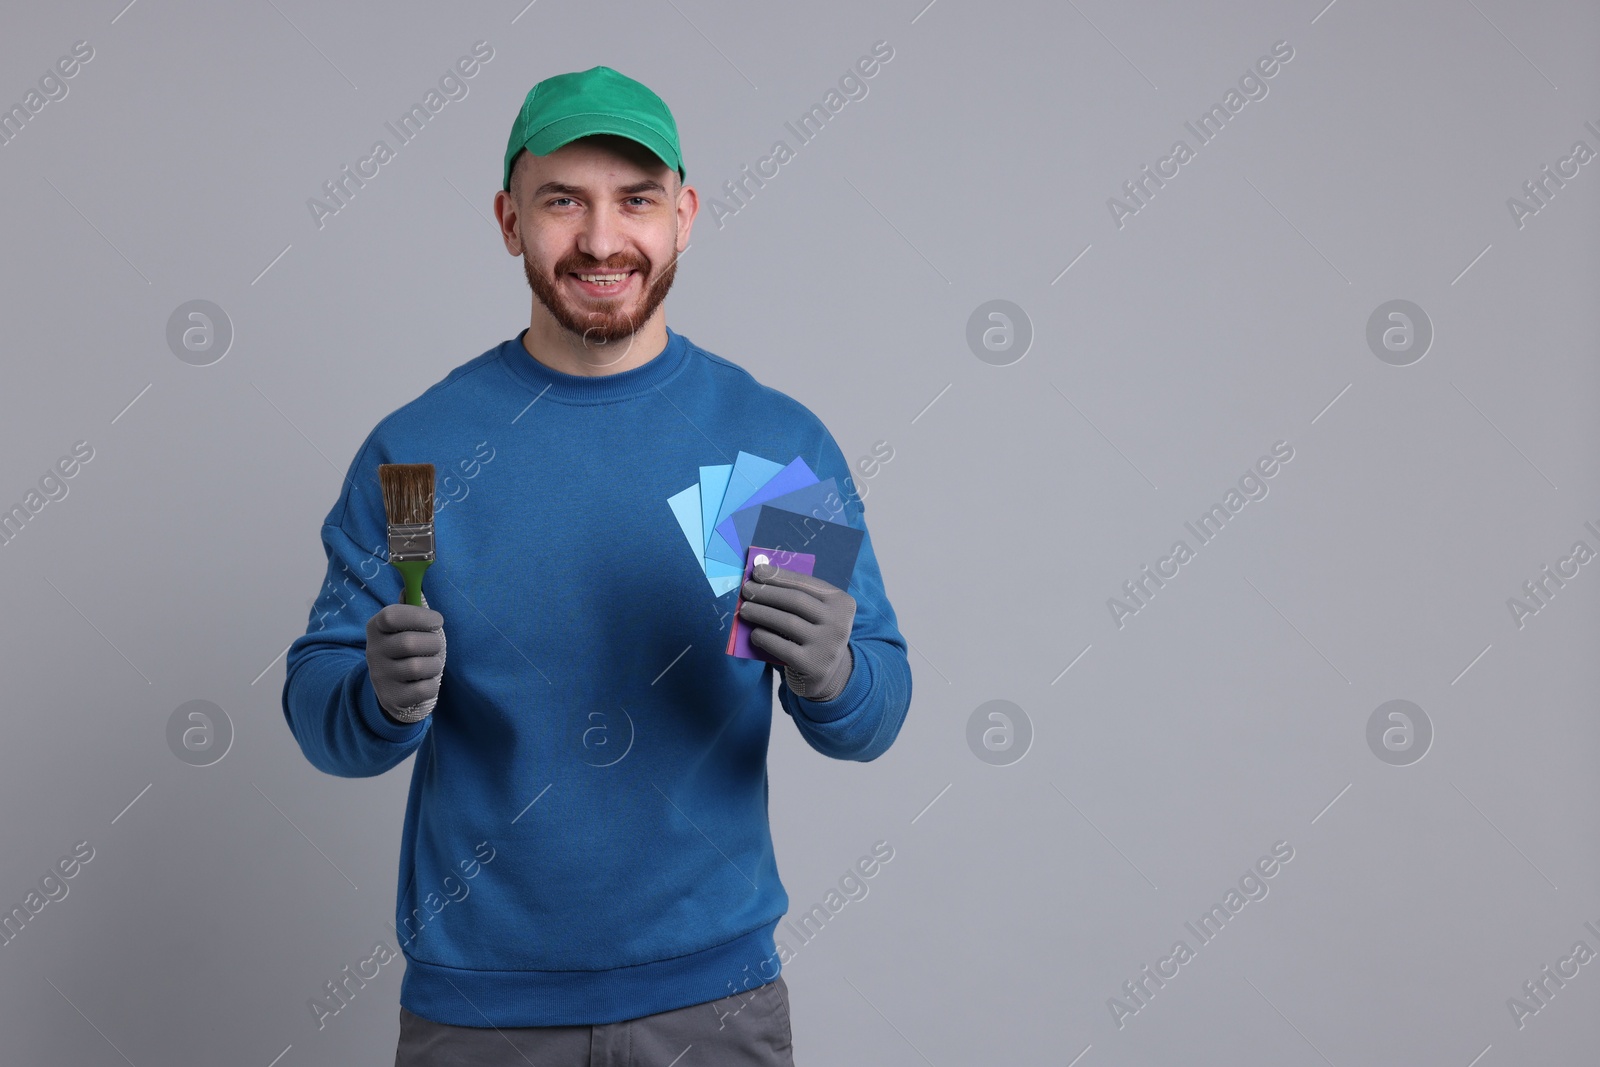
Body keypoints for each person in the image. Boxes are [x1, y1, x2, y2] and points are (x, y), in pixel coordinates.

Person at [279, 65, 913, 1066]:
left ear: (685, 215)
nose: (603, 239)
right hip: (479, 1013)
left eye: (636, 201)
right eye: (562, 201)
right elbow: (323, 715)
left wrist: (839, 674)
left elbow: (870, 715)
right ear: (508, 219)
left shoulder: (759, 449)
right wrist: (376, 698)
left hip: (713, 1005)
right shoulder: (421, 451)